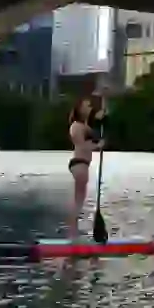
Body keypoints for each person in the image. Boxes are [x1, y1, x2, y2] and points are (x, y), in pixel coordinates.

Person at [67, 94, 105, 240]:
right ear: (79, 108)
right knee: (78, 201)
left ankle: (73, 234)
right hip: (79, 163)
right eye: (87, 105)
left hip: (83, 165)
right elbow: (82, 145)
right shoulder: (76, 126)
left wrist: (101, 118)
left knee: (79, 200)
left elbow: (93, 132)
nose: (90, 108)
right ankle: (72, 235)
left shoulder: (84, 126)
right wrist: (97, 145)